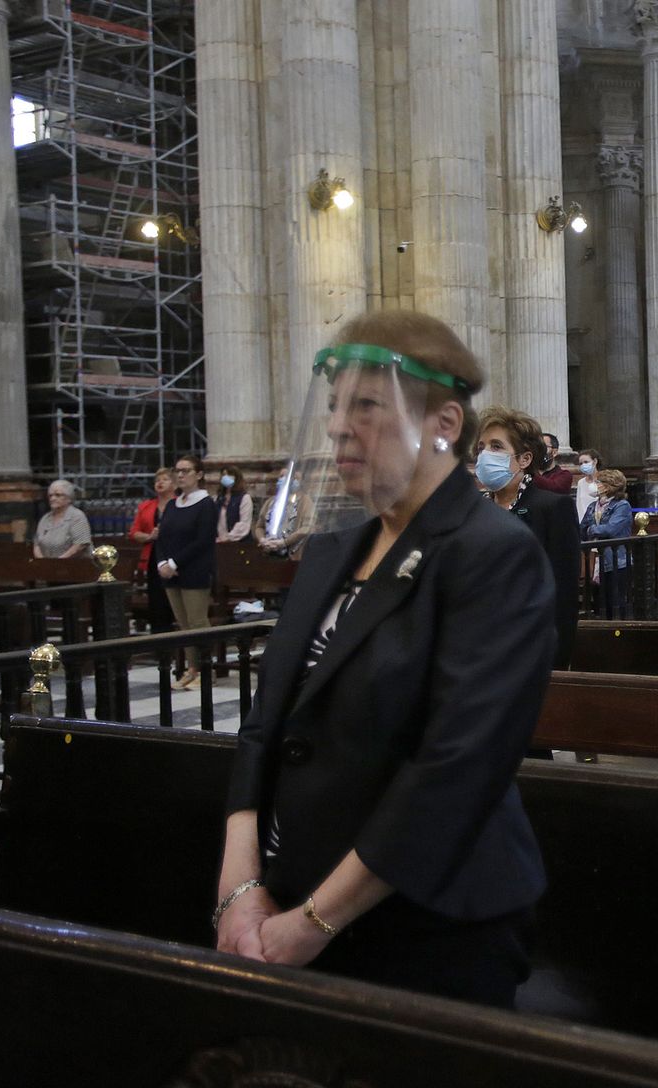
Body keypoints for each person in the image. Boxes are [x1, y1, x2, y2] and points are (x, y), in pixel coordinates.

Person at [215, 311, 554, 1007]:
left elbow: (454, 767)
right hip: (288, 894)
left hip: (424, 921)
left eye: (366, 405)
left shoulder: (491, 551)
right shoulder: (334, 549)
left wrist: (312, 924)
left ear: (445, 423)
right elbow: (265, 728)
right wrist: (241, 891)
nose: (339, 425)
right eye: (334, 404)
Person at [475, 406, 581, 669]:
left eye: (497, 447)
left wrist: (555, 663)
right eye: (481, 447)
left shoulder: (552, 508)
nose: (485, 455)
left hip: (529, 650)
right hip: (479, 651)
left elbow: (563, 596)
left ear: (524, 460)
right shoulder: (474, 512)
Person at [154, 453, 218, 690]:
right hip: (171, 572)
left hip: (195, 570)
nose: (180, 475)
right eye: (177, 471)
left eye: (186, 471)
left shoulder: (206, 504)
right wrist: (162, 562)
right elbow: (162, 536)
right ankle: (191, 669)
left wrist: (174, 562)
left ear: (199, 475)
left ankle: (205, 669)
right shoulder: (173, 504)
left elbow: (202, 540)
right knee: (183, 624)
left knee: (197, 621)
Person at [128, 467, 177, 634]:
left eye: (164, 480)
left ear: (174, 484)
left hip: (175, 555)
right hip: (153, 556)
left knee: (172, 596)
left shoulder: (180, 504)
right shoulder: (146, 506)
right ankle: (158, 635)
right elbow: (134, 532)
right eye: (157, 480)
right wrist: (150, 536)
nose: (160, 483)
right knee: (156, 597)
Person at [581, 468, 634, 619]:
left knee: (615, 601)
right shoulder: (593, 506)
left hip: (617, 560)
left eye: (599, 482)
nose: (596, 485)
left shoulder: (621, 505)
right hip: (596, 560)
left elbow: (611, 529)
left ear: (610, 485)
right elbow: (582, 529)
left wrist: (592, 530)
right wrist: (590, 530)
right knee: (599, 601)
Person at [32, 479, 92, 559]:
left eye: (58, 495)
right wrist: (42, 561)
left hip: (73, 566)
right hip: (47, 566)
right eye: (50, 495)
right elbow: (37, 544)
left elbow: (80, 545)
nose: (53, 498)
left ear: (69, 498)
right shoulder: (45, 518)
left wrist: (59, 562)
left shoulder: (77, 516)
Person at [216, 464, 255, 542]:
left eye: (229, 474)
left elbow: (244, 523)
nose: (226, 477)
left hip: (239, 543)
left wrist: (228, 538)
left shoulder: (244, 498)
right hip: (220, 542)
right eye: (224, 475)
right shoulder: (219, 499)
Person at [573, 448, 602, 522]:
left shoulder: (604, 480)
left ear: (595, 461)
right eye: (581, 463)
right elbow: (579, 505)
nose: (583, 465)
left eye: (586, 462)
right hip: (583, 524)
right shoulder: (581, 483)